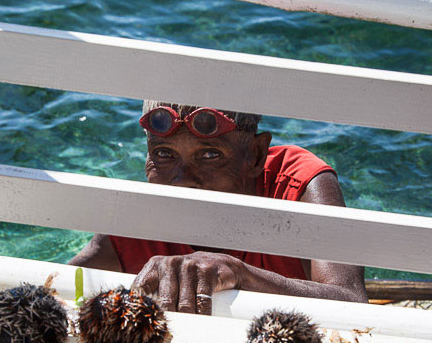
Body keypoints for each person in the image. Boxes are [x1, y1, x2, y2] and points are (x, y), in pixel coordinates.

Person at [69, 101, 368, 314]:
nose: (182, 180)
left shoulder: (296, 183)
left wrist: (240, 274)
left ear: (255, 154)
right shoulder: (145, 213)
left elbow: (352, 302)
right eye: (163, 153)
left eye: (210, 154)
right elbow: (61, 281)